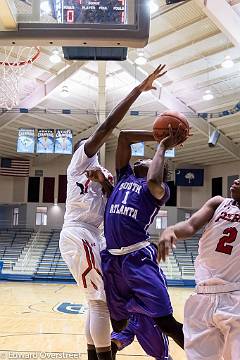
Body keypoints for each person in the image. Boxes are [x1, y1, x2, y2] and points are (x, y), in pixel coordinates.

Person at [59, 64, 167, 360]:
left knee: (97, 302)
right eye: (89, 148)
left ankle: (96, 353)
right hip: (79, 232)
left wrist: (106, 183)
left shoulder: (105, 177)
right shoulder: (80, 162)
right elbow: (107, 128)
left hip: (93, 236)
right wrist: (138, 91)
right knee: (100, 304)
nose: (92, 149)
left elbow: (115, 201)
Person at [101, 124, 188, 353]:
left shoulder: (158, 190)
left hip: (138, 258)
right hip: (112, 260)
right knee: (118, 326)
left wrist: (162, 147)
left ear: (160, 170)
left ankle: (204, 354)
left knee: (166, 323)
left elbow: (153, 181)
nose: (144, 158)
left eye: (151, 159)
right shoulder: (125, 177)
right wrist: (161, 135)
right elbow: (124, 137)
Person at [158, 177, 240, 360]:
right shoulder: (218, 202)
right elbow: (190, 225)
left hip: (235, 296)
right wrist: (172, 230)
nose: (237, 180)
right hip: (202, 296)